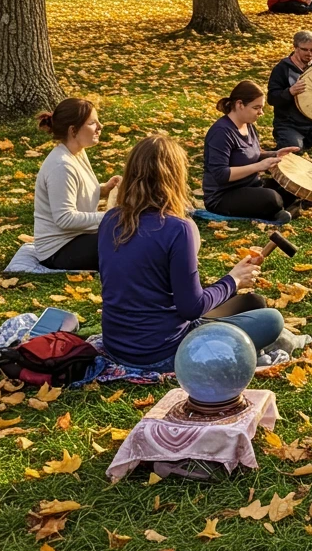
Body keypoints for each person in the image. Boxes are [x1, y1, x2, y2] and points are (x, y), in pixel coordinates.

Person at [98, 134, 284, 367]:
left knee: (254, 302)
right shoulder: (179, 229)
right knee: (271, 320)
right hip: (164, 351)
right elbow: (191, 308)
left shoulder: (110, 219)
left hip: (116, 345)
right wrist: (234, 280)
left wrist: (231, 283)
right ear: (175, 176)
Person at [32, 98, 121, 270]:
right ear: (73, 130)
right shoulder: (62, 165)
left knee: (133, 238)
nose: (100, 127)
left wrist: (104, 189)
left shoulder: (77, 153)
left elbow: (74, 192)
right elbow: (65, 219)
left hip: (77, 238)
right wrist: (111, 216)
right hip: (58, 250)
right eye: (93, 123)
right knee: (131, 242)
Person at [203, 80, 301, 223]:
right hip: (223, 196)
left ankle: (280, 213)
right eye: (256, 107)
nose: (261, 112)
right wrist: (259, 166)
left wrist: (275, 154)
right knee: (272, 199)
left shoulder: (248, 126)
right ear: (239, 104)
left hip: (251, 186)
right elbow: (220, 174)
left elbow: (251, 154)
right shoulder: (221, 133)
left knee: (290, 188)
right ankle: (280, 212)